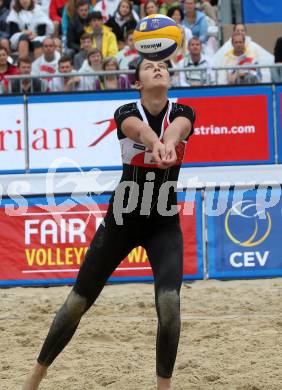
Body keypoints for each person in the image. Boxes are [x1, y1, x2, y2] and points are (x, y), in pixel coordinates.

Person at [22, 57, 195, 390]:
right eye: (149, 67)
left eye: (163, 66)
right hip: (122, 219)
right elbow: (139, 130)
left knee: (170, 304)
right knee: (77, 302)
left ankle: (164, 387)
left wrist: (168, 143)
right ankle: (35, 378)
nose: (157, 69)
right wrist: (155, 143)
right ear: (137, 83)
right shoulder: (126, 112)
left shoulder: (184, 112)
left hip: (163, 221)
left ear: (170, 78)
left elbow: (179, 129)